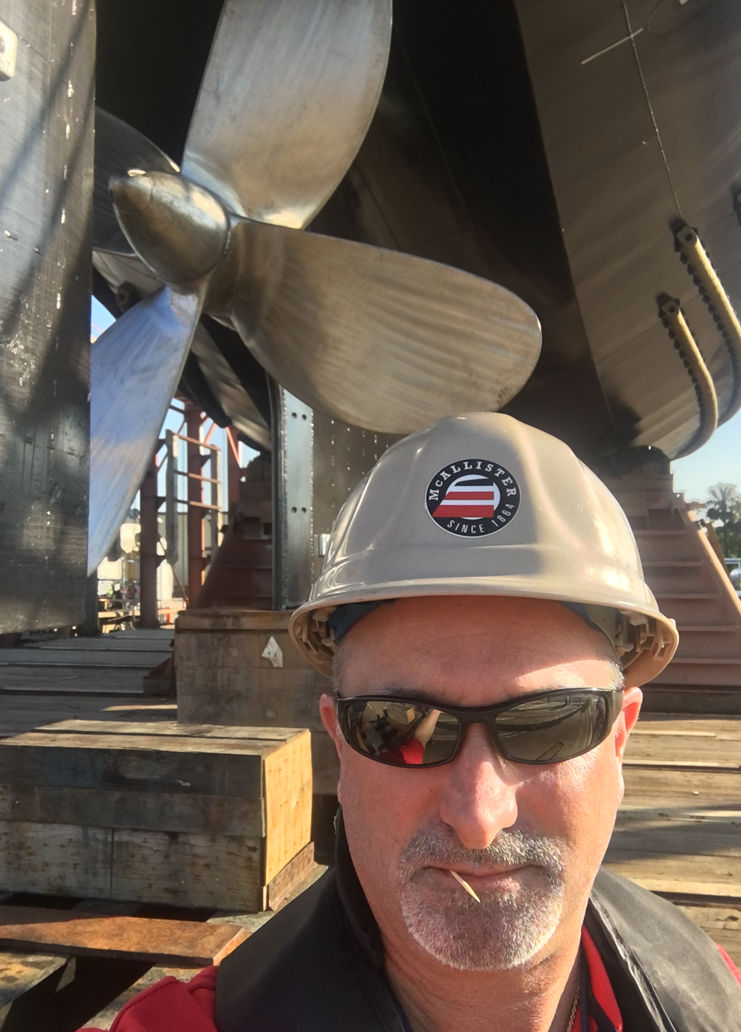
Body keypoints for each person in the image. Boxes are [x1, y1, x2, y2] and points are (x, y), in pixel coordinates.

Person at [82, 413, 741, 1032]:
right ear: (340, 747)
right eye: (398, 728)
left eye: (548, 724)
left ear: (618, 739)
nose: (479, 816)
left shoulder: (718, 997)